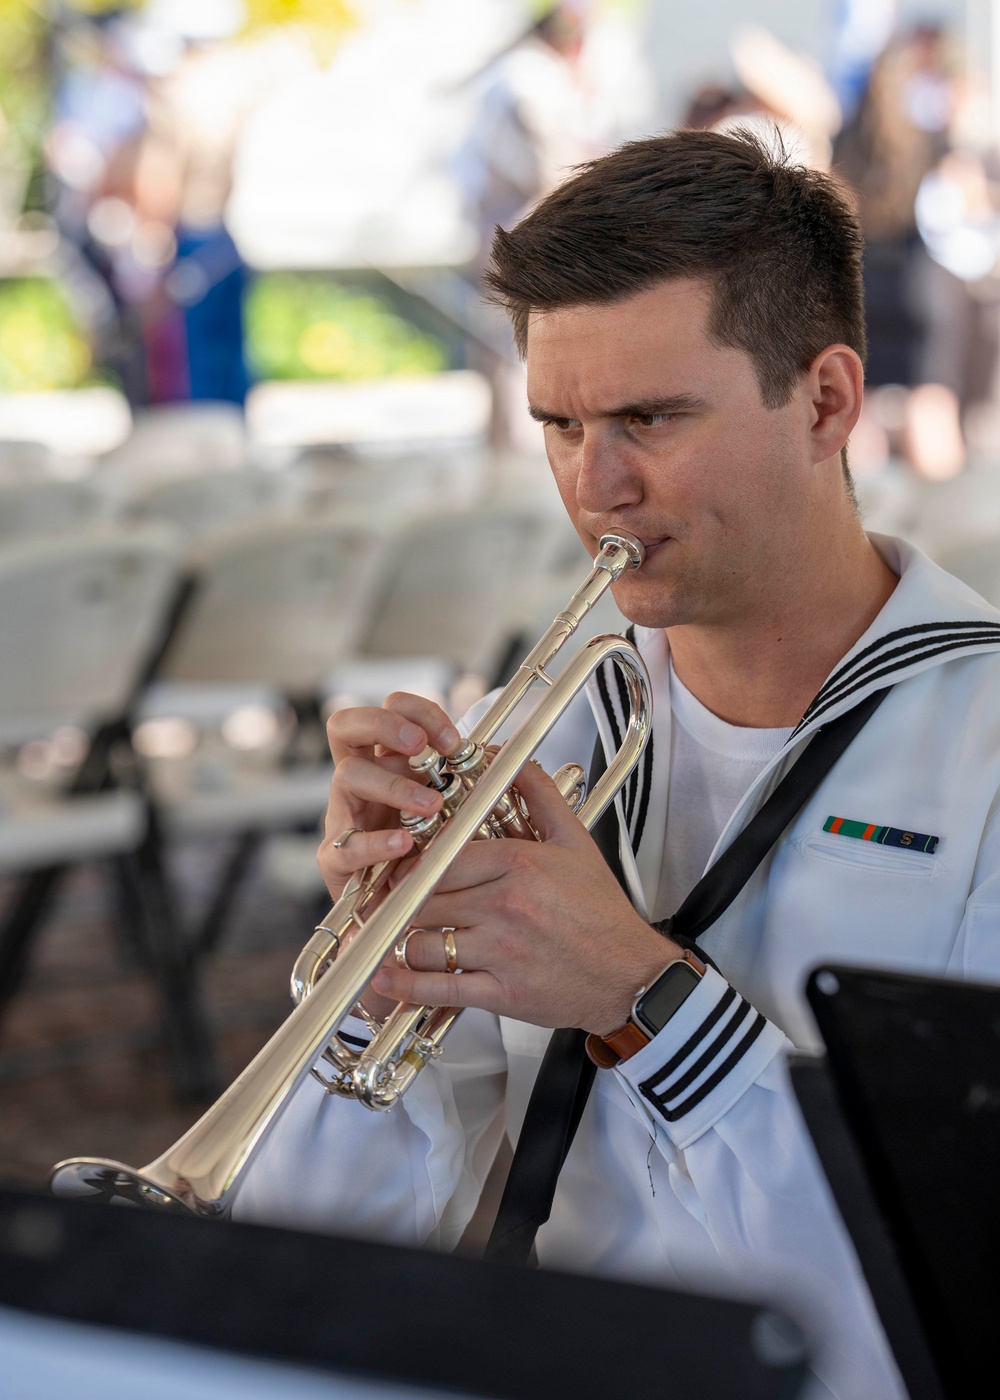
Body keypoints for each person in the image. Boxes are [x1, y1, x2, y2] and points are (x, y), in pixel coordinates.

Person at [234, 130, 1000, 1399]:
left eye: (651, 417)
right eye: (558, 423)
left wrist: (646, 1000)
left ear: (824, 400)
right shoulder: (557, 725)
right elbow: (315, 1257)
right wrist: (363, 990)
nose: (596, 487)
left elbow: (939, 1301)